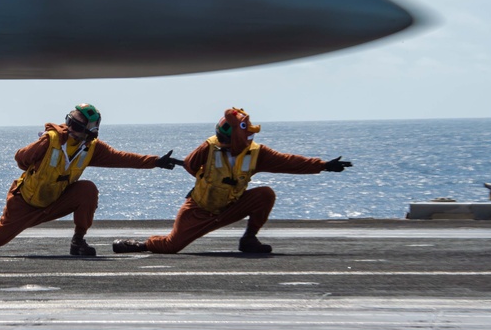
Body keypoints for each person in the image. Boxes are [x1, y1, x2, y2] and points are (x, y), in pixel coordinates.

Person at [0, 104, 183, 258]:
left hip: (56, 201)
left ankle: (78, 241)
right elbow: (20, 159)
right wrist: (42, 142)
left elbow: (122, 158)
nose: (71, 126)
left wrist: (156, 161)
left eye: (78, 124)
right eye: (71, 121)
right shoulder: (51, 140)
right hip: (25, 202)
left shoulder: (91, 148)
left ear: (91, 131)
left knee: (87, 190)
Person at [112, 107, 352, 255]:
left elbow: (288, 162)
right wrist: (206, 181)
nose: (222, 142)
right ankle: (139, 244)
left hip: (231, 207)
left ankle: (249, 239)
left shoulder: (257, 153)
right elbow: (190, 164)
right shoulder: (209, 147)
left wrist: (323, 165)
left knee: (265, 194)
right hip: (198, 210)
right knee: (171, 246)